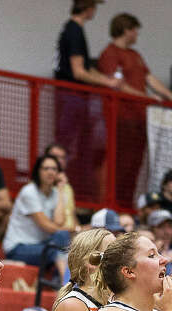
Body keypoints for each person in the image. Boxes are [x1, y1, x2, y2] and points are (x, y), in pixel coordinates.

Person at [96, 13, 172, 208]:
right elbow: (117, 85)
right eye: (135, 29)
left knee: (133, 165)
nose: (137, 34)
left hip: (139, 119)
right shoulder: (110, 53)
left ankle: (126, 204)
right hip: (120, 117)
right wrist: (145, 98)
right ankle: (111, 204)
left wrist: (171, 97)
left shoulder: (135, 55)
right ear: (125, 30)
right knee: (117, 163)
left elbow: (149, 78)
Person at [52, 0, 118, 200]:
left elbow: (84, 69)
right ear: (89, 8)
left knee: (73, 144)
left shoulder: (70, 29)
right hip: (73, 96)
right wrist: (108, 82)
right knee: (68, 144)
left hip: (72, 97)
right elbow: (79, 71)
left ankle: (66, 187)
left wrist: (105, 80)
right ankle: (59, 186)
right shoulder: (75, 31)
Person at [2, 154, 73, 282]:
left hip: (40, 244)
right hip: (18, 248)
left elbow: (58, 222)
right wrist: (72, 228)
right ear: (38, 171)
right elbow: (47, 226)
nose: (50, 172)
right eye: (46, 168)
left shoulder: (57, 193)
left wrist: (62, 190)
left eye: (54, 169)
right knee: (53, 251)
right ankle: (65, 284)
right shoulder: (29, 192)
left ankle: (59, 280)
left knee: (62, 236)